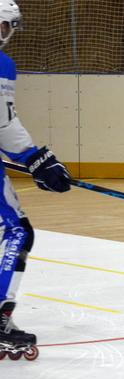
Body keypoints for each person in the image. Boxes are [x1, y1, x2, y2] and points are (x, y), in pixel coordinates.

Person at [0, 1, 72, 348]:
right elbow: (2, 124)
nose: (6, 35)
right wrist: (39, 160)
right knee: (18, 232)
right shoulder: (1, 64)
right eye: (4, 26)